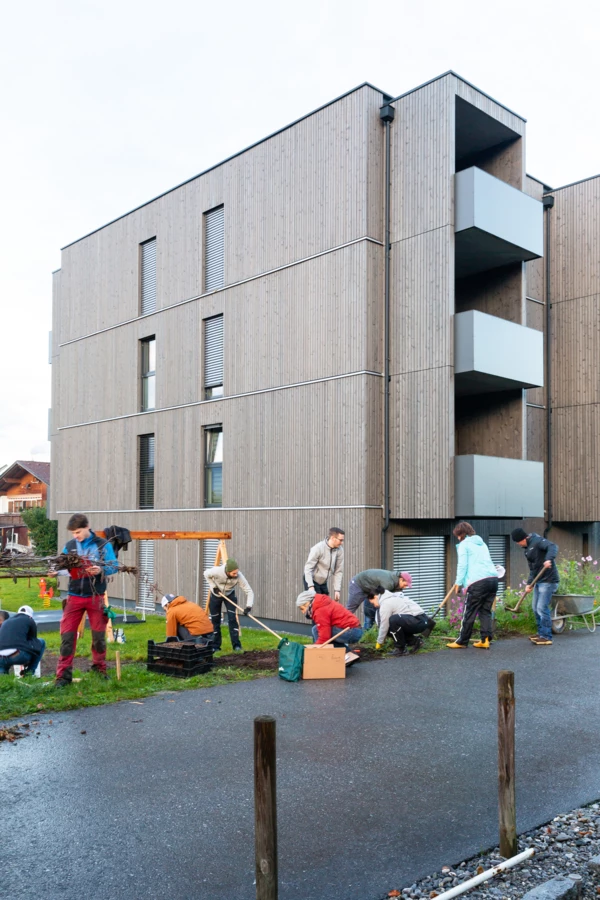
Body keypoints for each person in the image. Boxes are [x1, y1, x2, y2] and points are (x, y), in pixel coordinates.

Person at [50, 513, 118, 686]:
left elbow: (114, 566)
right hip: (74, 597)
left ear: (88, 527)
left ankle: (99, 669)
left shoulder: (103, 545)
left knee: (99, 637)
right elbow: (63, 567)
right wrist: (56, 571)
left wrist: (101, 570)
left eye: (78, 532)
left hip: (96, 597)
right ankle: (63, 676)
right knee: (67, 637)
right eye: (73, 533)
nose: (75, 536)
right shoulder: (70, 546)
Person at [447, 522, 499, 650]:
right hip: (493, 579)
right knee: (485, 611)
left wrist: (458, 583)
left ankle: (462, 641)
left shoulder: (464, 545)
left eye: (458, 536)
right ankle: (485, 639)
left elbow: (462, 565)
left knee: (469, 611)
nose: (457, 538)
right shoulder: (482, 543)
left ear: (462, 534)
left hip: (478, 582)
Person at [511, 527, 559, 646]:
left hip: (549, 580)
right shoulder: (527, 550)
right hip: (538, 581)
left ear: (523, 539)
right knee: (535, 608)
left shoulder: (537, 541)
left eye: (518, 542)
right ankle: (540, 633)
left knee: (541, 608)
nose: (518, 544)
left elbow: (553, 547)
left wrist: (548, 559)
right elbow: (533, 569)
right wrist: (529, 584)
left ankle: (546, 636)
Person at [371, 574, 431, 656]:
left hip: (420, 620)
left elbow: (384, 625)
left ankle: (400, 649)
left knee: (393, 620)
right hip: (420, 620)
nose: (374, 605)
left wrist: (379, 642)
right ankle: (415, 641)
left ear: (375, 597)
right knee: (392, 625)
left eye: (372, 603)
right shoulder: (390, 597)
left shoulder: (386, 603)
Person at [204, 558, 254, 653]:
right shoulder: (217, 571)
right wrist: (214, 587)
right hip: (215, 595)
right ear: (227, 571)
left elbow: (249, 591)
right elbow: (206, 573)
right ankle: (215, 646)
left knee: (232, 619)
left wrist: (248, 607)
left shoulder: (239, 576)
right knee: (215, 620)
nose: (236, 575)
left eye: (237, 573)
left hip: (230, 595)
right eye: (234, 573)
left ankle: (236, 646)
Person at [296, 591, 363, 648]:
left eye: (302, 608)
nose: (303, 612)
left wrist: (314, 649)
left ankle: (327, 656)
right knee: (316, 629)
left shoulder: (320, 611)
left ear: (307, 603)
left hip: (352, 632)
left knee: (317, 631)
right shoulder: (321, 603)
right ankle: (346, 654)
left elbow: (324, 637)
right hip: (354, 630)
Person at [0, 606, 46, 676]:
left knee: (3, 670)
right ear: (30, 616)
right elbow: (34, 642)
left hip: (1, 658)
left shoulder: (6, 621)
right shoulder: (29, 620)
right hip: (18, 656)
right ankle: (30, 672)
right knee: (41, 642)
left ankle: (3, 676)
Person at [303, 528, 345, 601]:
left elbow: (338, 571)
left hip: (323, 582)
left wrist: (337, 590)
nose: (342, 543)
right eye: (340, 540)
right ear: (332, 538)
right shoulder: (318, 548)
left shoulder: (340, 550)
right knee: (316, 607)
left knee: (326, 605)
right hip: (312, 580)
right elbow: (308, 568)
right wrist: (310, 586)